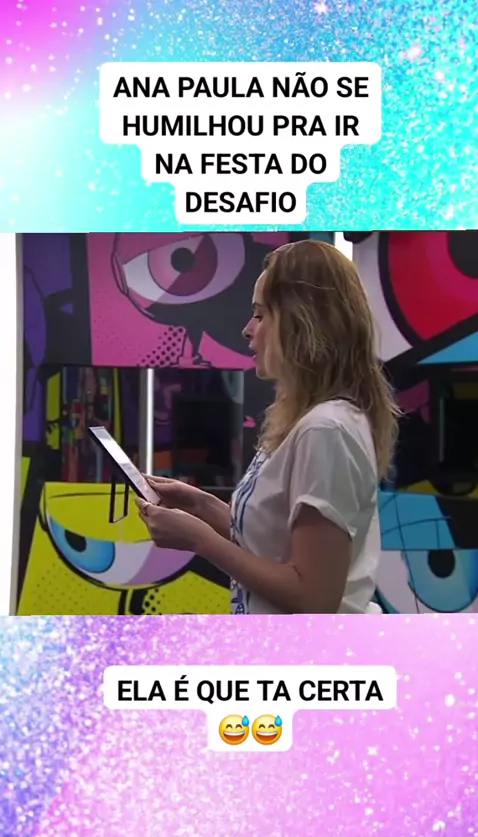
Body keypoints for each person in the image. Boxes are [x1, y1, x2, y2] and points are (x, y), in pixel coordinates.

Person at [136, 239, 400, 614]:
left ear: (302, 323)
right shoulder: (307, 422)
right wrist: (199, 504)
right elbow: (272, 543)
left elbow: (314, 598)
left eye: (260, 315)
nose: (247, 330)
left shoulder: (325, 430)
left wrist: (202, 542)